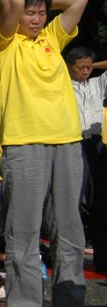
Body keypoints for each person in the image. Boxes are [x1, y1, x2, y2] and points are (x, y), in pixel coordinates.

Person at [0, 0, 97, 307]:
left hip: (66, 140)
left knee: (69, 225)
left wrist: (44, 3)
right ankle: (24, 302)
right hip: (23, 142)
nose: (36, 19)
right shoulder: (3, 43)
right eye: (30, 14)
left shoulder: (52, 37)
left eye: (41, 13)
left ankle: (70, 299)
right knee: (24, 226)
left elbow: (80, 0)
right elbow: (13, 2)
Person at [65, 46, 107, 271]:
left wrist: (93, 65)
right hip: (73, 142)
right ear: (70, 67)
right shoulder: (63, 85)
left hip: (96, 143)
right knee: (73, 198)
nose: (84, 72)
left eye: (88, 68)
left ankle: (102, 259)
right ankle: (70, 255)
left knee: (100, 199)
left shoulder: (97, 83)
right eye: (80, 67)